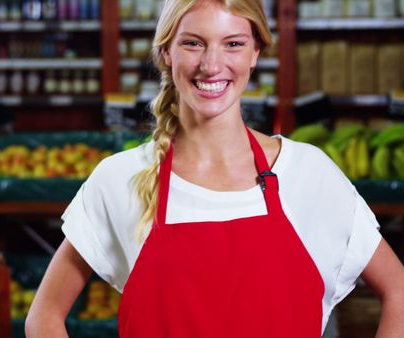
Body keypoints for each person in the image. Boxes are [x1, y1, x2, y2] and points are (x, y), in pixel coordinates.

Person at [25, 0, 404, 336]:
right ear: (167, 52)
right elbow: (43, 317)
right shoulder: (120, 180)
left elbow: (398, 291)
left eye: (233, 44)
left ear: (255, 52)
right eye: (192, 43)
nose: (211, 65)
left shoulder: (308, 173)